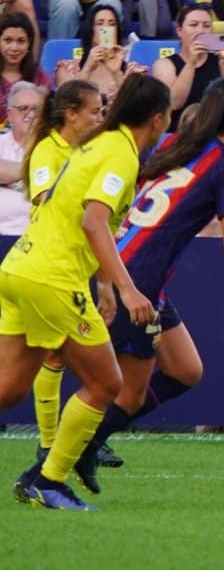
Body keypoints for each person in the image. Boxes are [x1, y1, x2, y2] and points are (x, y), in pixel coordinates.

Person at [74, 77, 224, 493]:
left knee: (186, 370)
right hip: (136, 282)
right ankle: (59, 460)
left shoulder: (176, 147)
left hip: (126, 268)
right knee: (124, 393)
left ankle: (80, 447)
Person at [3, 75, 171, 511]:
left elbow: (77, 215)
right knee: (106, 382)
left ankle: (44, 476)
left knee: (8, 389)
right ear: (158, 119)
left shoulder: (97, 144)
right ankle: (49, 481)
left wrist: (100, 282)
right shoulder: (118, 153)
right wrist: (127, 289)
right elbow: (93, 222)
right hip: (52, 276)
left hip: (20, 266)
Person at [151, 4, 224, 124]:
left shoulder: (223, 61)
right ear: (179, 31)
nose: (200, 31)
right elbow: (174, 103)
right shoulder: (164, 65)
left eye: (206, 26)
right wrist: (191, 64)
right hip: (180, 133)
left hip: (216, 132)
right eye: (193, 25)